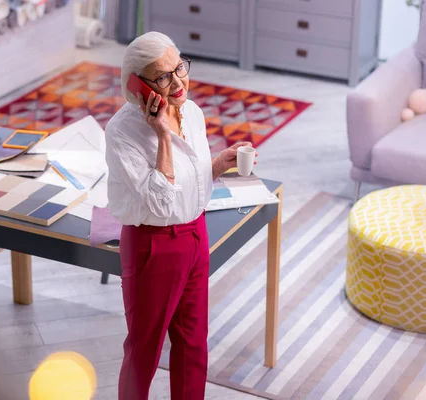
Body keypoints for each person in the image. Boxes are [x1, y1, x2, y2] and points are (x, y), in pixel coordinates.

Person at [105, 31, 258, 400]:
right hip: (153, 247)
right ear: (138, 85)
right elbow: (159, 203)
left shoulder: (192, 112)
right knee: (145, 350)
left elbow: (190, 183)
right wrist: (161, 135)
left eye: (179, 68)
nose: (178, 82)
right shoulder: (122, 133)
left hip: (195, 235)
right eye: (162, 77)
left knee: (193, 347)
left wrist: (219, 164)